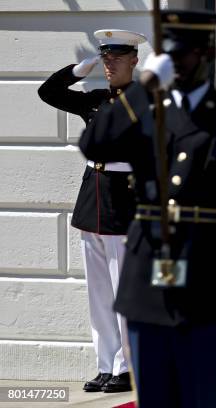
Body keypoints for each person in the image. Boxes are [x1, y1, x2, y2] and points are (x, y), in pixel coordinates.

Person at [78, 9, 216, 407]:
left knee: (200, 388)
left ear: (206, 54)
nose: (178, 61)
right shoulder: (143, 109)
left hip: (204, 266)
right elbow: (94, 143)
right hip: (146, 272)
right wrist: (143, 86)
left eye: (186, 52)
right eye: (170, 52)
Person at [38, 29, 147, 393]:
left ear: (134, 59)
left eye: (116, 57)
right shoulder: (95, 100)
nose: (109, 63)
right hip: (93, 202)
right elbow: (48, 93)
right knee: (99, 294)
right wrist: (77, 71)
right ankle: (105, 363)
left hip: (125, 206)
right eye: (105, 57)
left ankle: (126, 367)